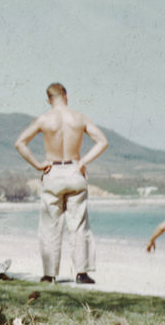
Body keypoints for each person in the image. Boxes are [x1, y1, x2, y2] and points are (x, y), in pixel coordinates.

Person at [15, 82, 108, 284]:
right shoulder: (79, 117)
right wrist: (83, 161)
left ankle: (49, 275)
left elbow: (20, 143)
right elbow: (102, 141)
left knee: (50, 226)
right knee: (79, 224)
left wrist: (38, 165)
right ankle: (81, 273)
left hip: (53, 171)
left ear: (48, 100)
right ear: (66, 95)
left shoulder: (44, 119)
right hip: (75, 169)